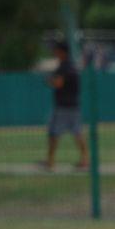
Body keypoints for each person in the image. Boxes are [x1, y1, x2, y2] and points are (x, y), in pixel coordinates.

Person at [42, 41, 87, 171]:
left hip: (63, 106)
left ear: (62, 52)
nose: (55, 53)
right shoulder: (72, 66)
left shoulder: (64, 67)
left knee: (53, 133)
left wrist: (49, 80)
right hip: (74, 105)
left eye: (57, 50)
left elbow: (58, 83)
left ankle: (50, 162)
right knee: (78, 132)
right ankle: (85, 160)